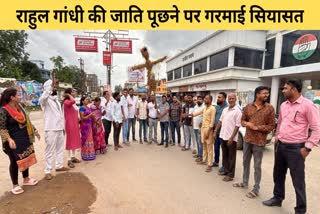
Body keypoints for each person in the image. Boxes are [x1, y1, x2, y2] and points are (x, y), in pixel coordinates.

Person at [263, 80, 320, 214]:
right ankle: (277, 198)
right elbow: (281, 122)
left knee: (298, 181)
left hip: (296, 149)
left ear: (294, 89)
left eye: (285, 88)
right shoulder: (283, 105)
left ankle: (300, 210)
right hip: (281, 146)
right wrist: (277, 137)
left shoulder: (308, 105)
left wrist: (308, 148)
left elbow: (317, 129)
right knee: (278, 175)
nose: (283, 90)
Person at [233, 86, 275, 199]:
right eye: (264, 93)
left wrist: (257, 127)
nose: (267, 95)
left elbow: (271, 126)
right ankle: (244, 182)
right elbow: (242, 121)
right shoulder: (248, 107)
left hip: (259, 141)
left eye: (267, 93)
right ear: (257, 94)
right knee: (245, 163)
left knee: (257, 166)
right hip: (248, 139)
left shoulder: (270, 108)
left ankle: (256, 189)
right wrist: (248, 124)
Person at [0, 87, 40, 195]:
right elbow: (2, 128)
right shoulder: (3, 110)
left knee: (25, 158)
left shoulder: (19, 108)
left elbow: (27, 121)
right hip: (12, 141)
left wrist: (35, 131)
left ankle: (26, 179)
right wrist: (8, 139)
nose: (20, 97)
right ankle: (15, 185)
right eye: (18, 95)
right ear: (12, 97)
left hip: (24, 138)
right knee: (14, 161)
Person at [39, 79, 68, 181]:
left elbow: (60, 116)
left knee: (59, 148)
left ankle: (59, 166)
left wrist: (63, 128)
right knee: (49, 151)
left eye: (55, 86)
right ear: (48, 88)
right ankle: (47, 171)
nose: (55, 88)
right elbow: (43, 98)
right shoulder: (45, 101)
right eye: (53, 86)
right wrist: (50, 87)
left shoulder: (56, 100)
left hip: (59, 128)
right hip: (50, 129)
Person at [213, 93, 242, 182]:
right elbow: (220, 121)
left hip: (231, 139)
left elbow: (237, 126)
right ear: (227, 99)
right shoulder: (225, 110)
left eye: (233, 98)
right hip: (222, 136)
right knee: (225, 155)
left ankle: (230, 175)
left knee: (231, 157)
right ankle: (225, 170)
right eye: (229, 98)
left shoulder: (237, 111)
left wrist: (231, 138)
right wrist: (215, 131)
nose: (231, 100)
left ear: (235, 99)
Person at [191, 95, 216, 172]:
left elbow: (212, 122)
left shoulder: (212, 109)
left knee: (209, 148)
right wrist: (188, 115)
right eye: (205, 98)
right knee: (204, 145)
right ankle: (204, 160)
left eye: (206, 99)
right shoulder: (204, 108)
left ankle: (210, 164)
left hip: (209, 130)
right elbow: (196, 113)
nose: (205, 100)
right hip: (203, 129)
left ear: (210, 100)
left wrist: (209, 131)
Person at [63, 88, 82, 168]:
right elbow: (73, 101)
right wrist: (69, 96)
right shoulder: (67, 102)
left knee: (74, 140)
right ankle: (68, 159)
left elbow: (75, 110)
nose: (75, 93)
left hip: (74, 124)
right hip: (69, 124)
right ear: (69, 93)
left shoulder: (72, 103)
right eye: (73, 92)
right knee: (69, 141)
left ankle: (73, 157)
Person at [213, 92, 228, 169]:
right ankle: (216, 162)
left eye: (220, 97)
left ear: (224, 99)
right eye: (218, 97)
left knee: (224, 150)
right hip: (216, 131)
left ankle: (224, 166)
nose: (218, 99)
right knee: (216, 148)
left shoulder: (227, 108)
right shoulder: (217, 107)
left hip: (223, 133)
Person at [79, 96, 96, 161]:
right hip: (84, 126)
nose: (87, 100)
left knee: (90, 139)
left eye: (87, 99)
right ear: (83, 101)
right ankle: (85, 155)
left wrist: (93, 116)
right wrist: (90, 115)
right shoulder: (81, 108)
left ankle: (90, 154)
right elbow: (82, 118)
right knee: (85, 140)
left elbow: (90, 116)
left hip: (89, 126)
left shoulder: (88, 107)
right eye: (86, 99)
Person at [193, 96, 204, 162]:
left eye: (200, 99)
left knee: (200, 142)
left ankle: (201, 156)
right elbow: (194, 115)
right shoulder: (195, 106)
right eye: (198, 99)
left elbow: (205, 116)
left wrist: (202, 122)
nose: (198, 100)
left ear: (202, 100)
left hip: (200, 127)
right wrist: (192, 122)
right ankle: (199, 154)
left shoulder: (204, 107)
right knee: (197, 141)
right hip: (195, 126)